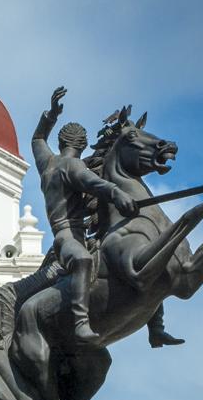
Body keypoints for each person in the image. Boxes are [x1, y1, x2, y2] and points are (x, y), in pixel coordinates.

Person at [31, 86, 138, 344]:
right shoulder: (72, 165)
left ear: (60, 142)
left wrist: (51, 115)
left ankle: (155, 325)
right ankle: (80, 322)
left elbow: (37, 140)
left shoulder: (46, 161)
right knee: (82, 260)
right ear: (82, 144)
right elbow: (92, 183)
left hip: (67, 234)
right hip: (70, 237)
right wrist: (117, 193)